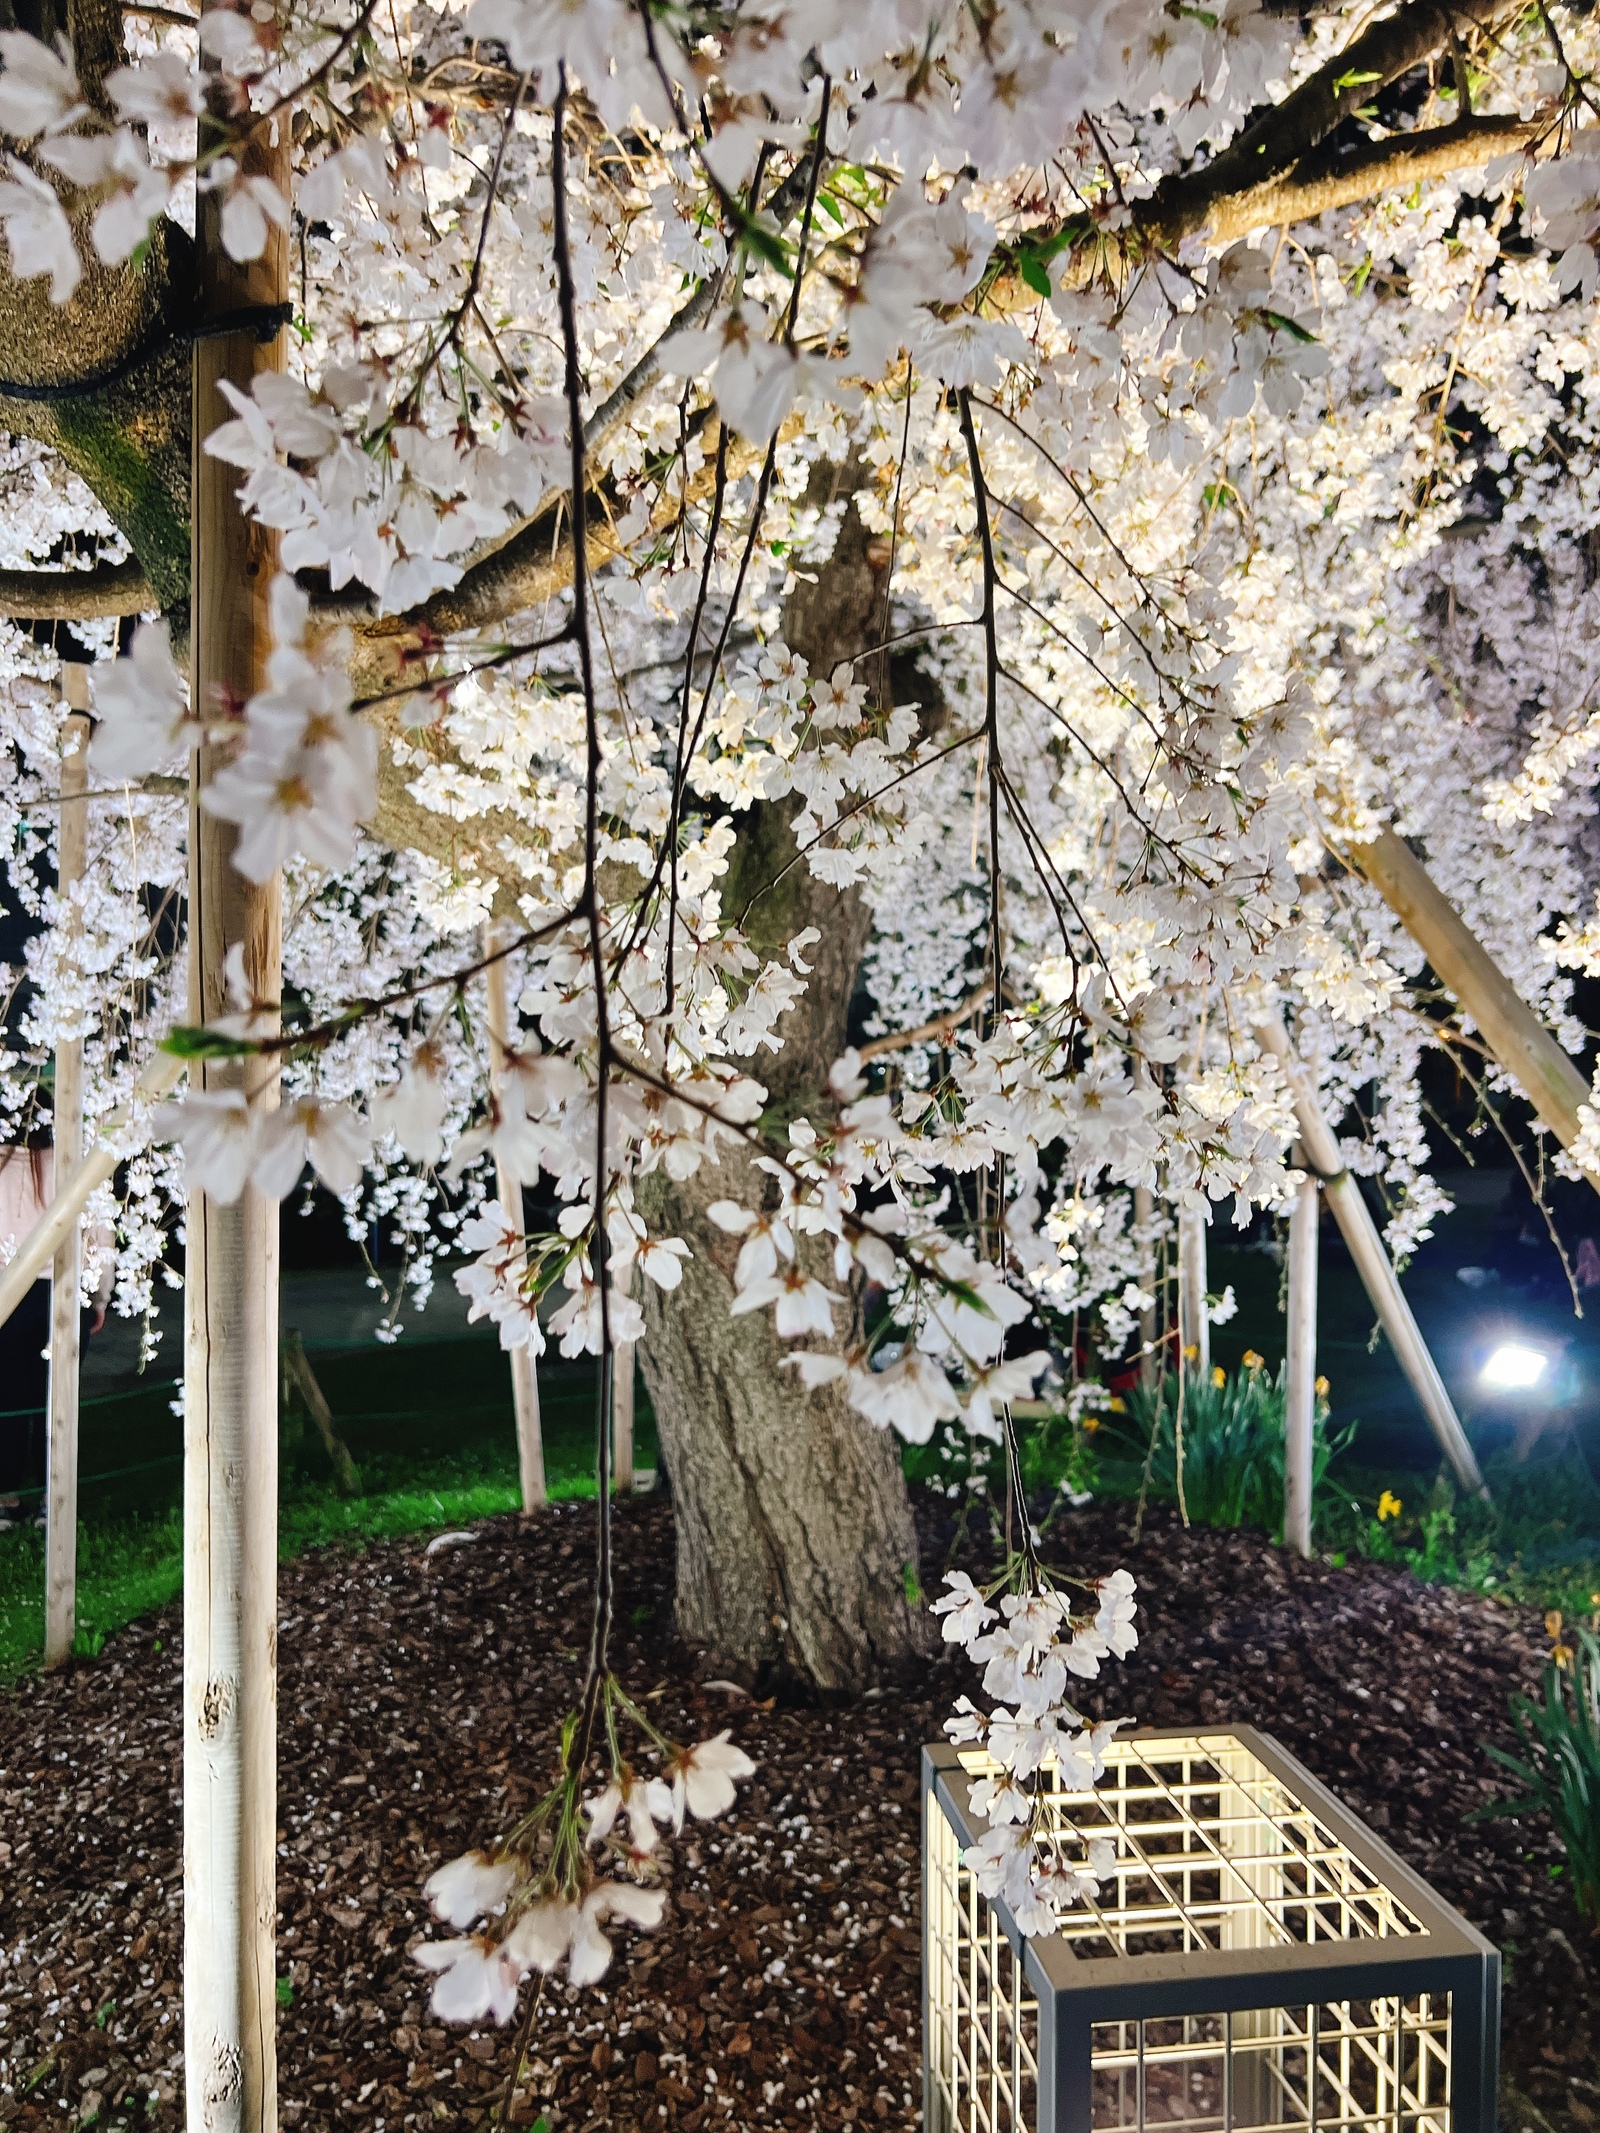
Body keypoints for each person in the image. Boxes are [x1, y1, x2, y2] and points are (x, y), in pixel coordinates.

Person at [0, 1142, 112, 1509]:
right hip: (66, 1288)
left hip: (10, 1292)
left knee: (9, 1398)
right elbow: (100, 1235)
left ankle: (6, 1496)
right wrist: (100, 1296)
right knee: (58, 1399)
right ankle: (54, 1497)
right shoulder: (79, 1156)